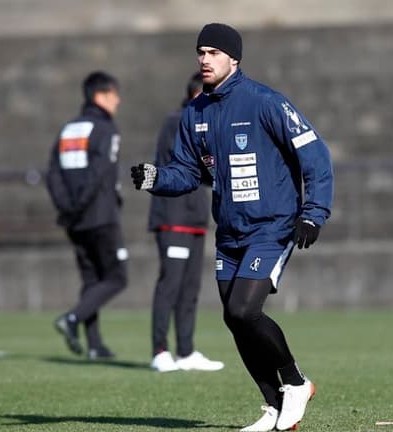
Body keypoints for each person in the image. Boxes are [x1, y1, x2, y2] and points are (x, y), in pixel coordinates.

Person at [131, 23, 333, 431]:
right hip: (229, 232)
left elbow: (316, 156)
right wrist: (157, 178)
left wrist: (313, 213)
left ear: (233, 58)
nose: (204, 59)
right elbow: (188, 174)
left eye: (212, 52)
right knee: (233, 318)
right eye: (200, 52)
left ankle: (296, 382)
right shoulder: (194, 112)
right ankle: (274, 407)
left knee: (244, 309)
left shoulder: (265, 102)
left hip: (272, 226)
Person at [46, 71, 128, 360]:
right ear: (100, 96)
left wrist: (66, 207)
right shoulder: (106, 129)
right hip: (100, 216)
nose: (118, 100)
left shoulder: (68, 129)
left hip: (74, 219)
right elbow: (98, 173)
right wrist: (79, 205)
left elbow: (52, 173)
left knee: (92, 280)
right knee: (117, 278)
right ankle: (72, 318)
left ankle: (95, 345)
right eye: (114, 94)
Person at [148, 72, 224, 372]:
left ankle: (186, 350)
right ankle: (159, 350)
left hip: (195, 219)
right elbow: (185, 164)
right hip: (173, 218)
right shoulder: (176, 121)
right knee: (170, 285)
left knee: (191, 288)